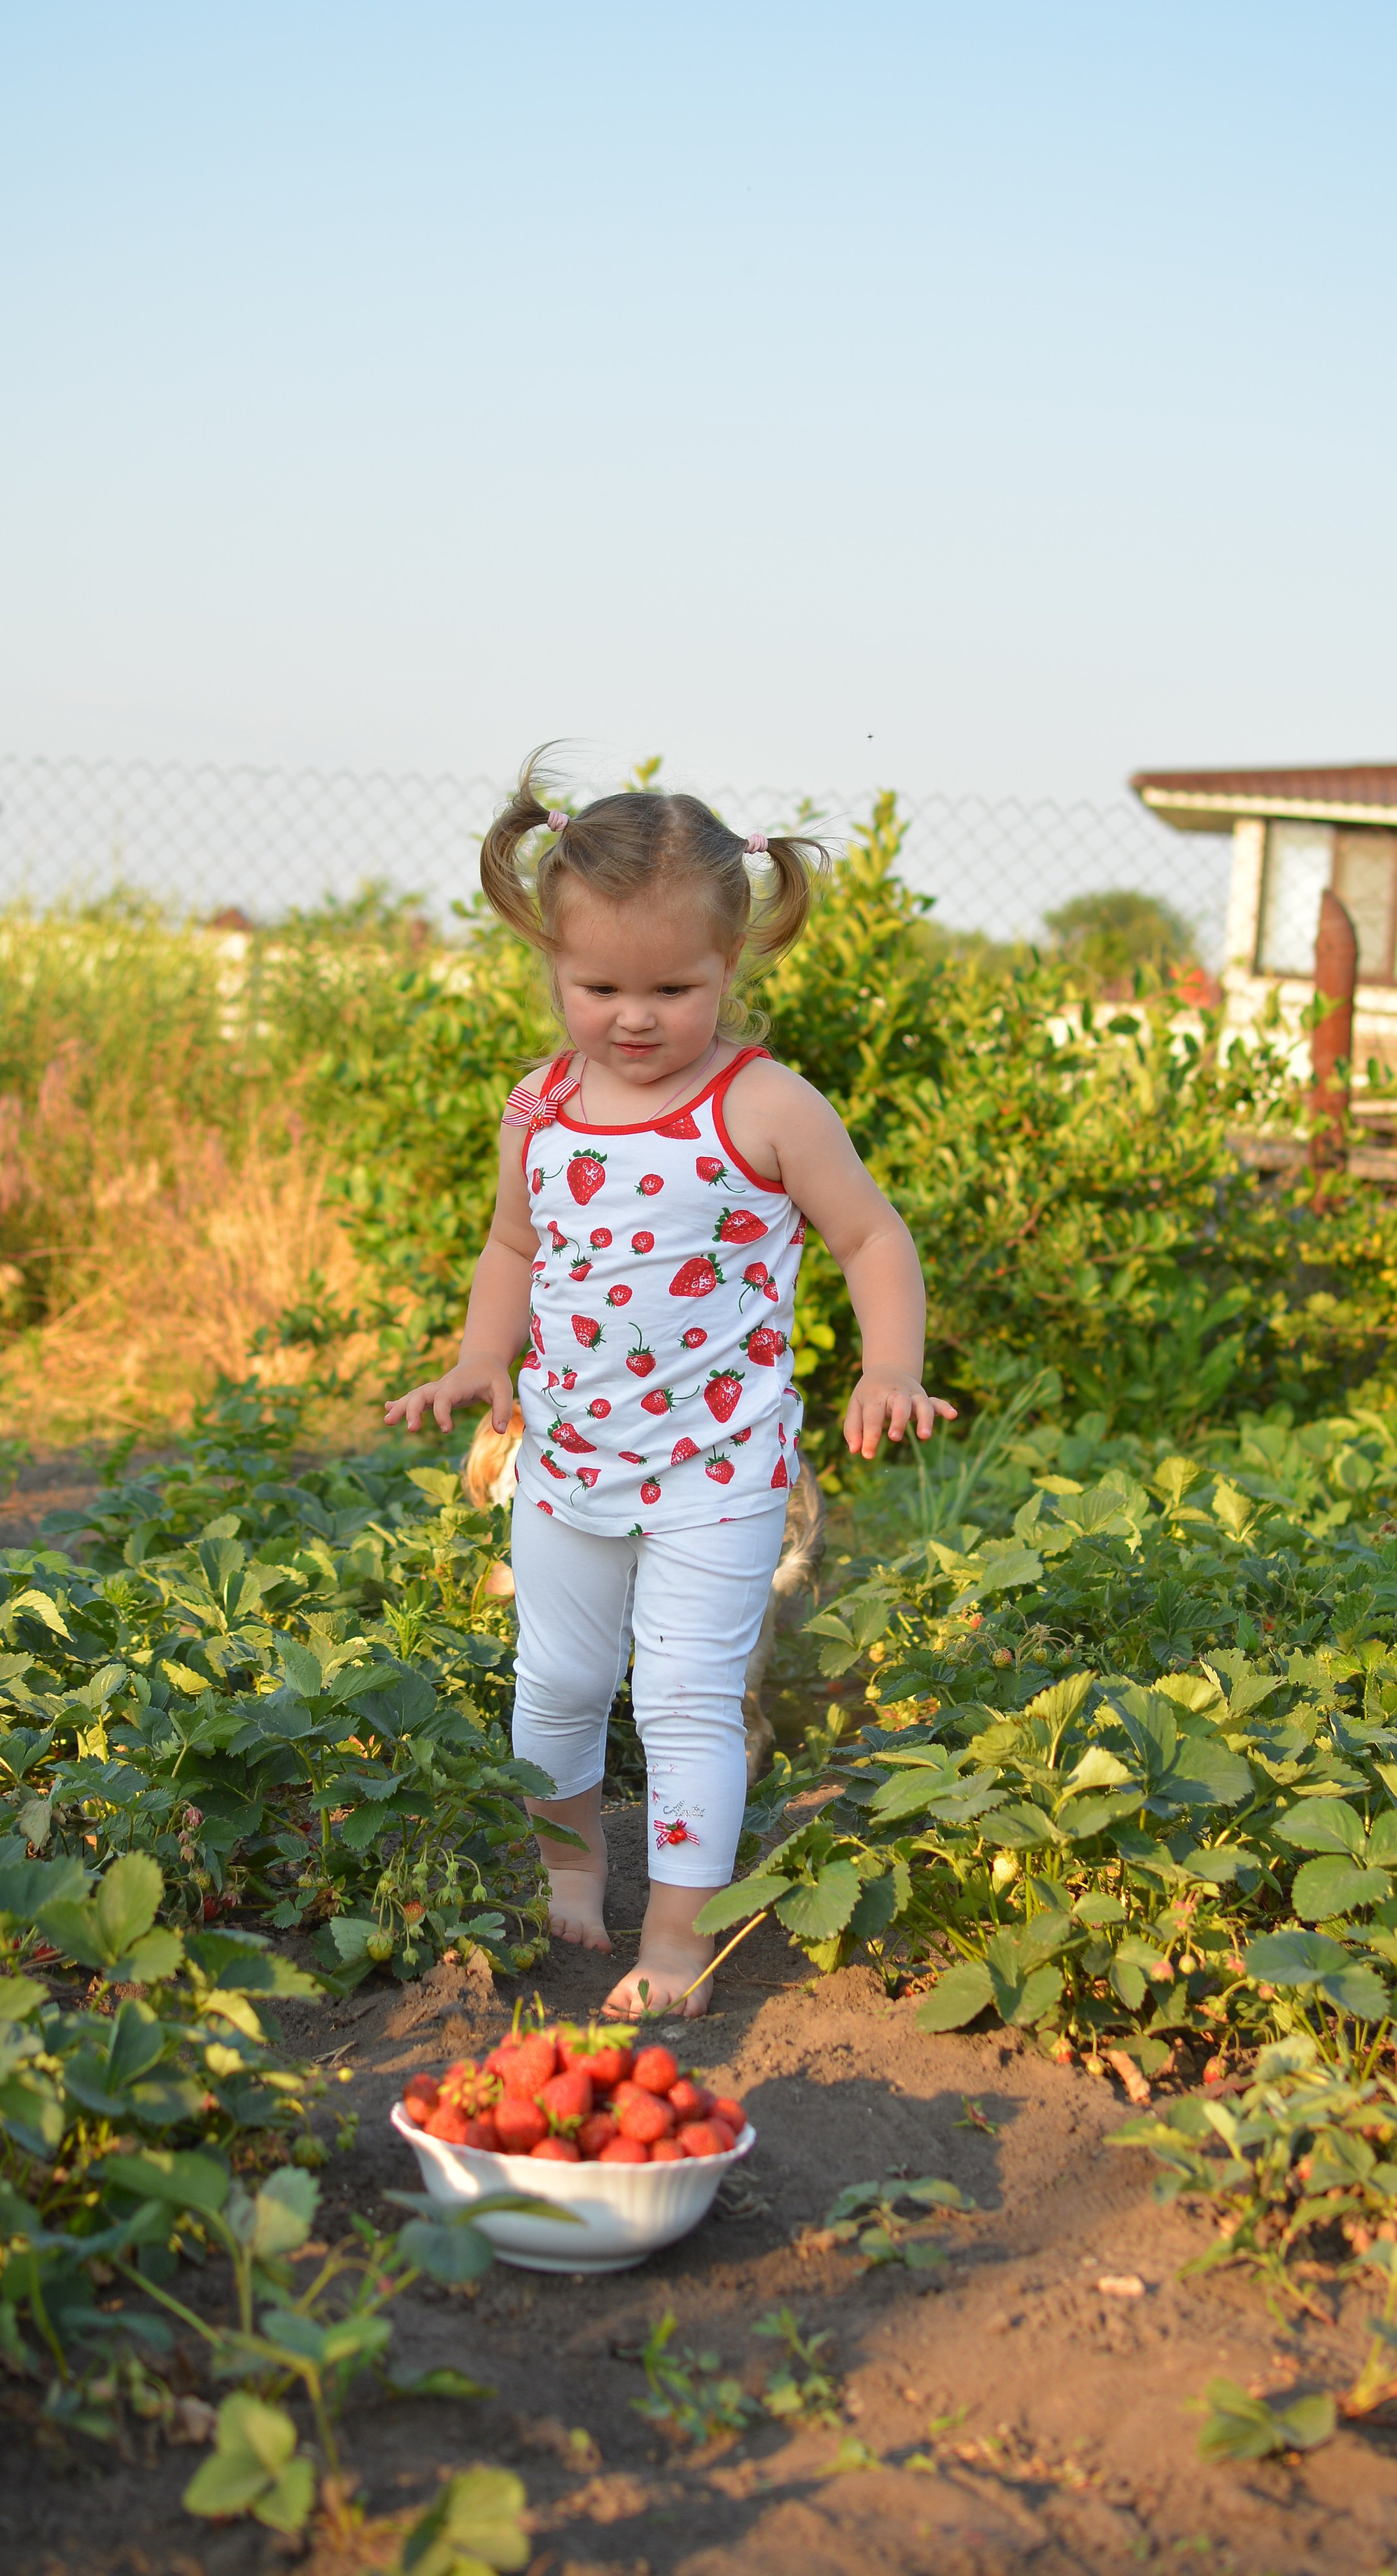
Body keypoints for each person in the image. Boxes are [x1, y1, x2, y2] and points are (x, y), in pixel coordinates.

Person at [385, 762, 954, 2017]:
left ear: (729, 963)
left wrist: (892, 1365)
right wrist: (483, 1355)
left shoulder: (765, 1103)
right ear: (552, 962)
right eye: (600, 988)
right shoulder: (540, 1107)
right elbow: (514, 1247)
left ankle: (680, 1940)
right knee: (559, 1685)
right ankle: (573, 1875)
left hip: (718, 1470)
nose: (633, 1019)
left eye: (672, 990)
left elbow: (872, 1236)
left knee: (688, 1697)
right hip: (569, 1461)